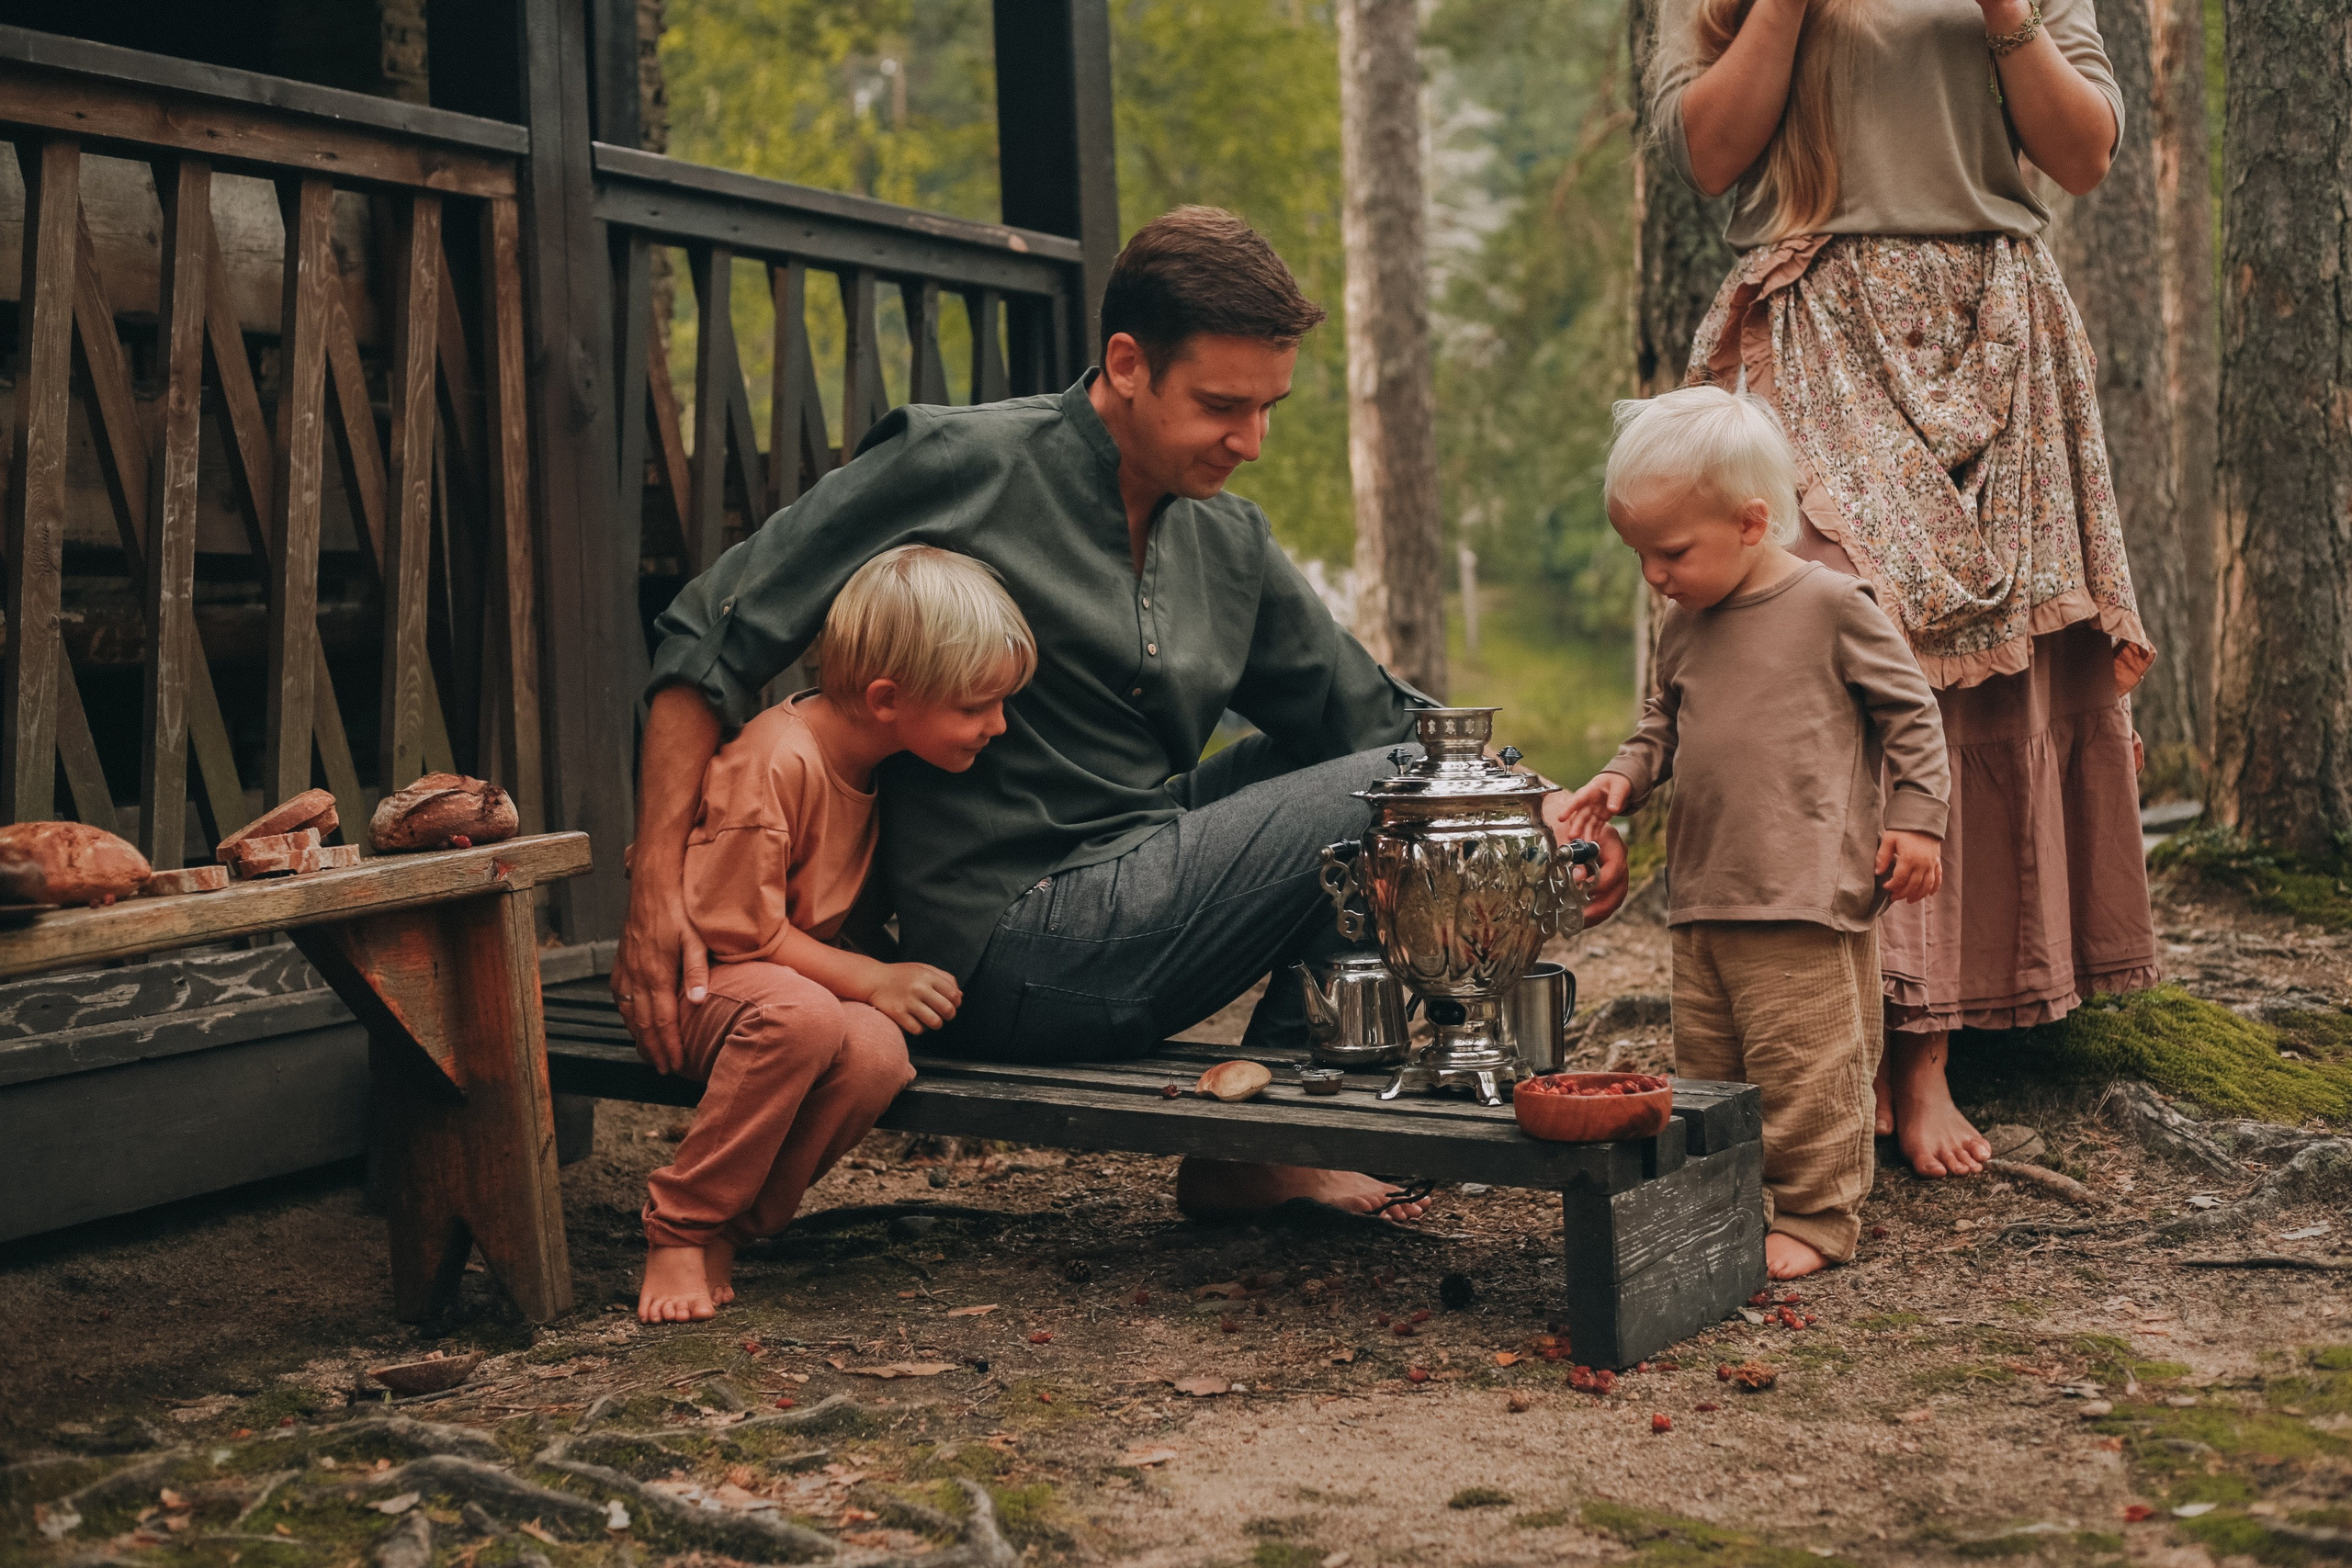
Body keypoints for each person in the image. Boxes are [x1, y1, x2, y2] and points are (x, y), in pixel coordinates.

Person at [611, 205, 1635, 1224]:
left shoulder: (1229, 540)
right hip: (1003, 951)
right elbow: (710, 635)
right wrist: (657, 892)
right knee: (1374, 794)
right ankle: (1273, 1143)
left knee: (1362, 757)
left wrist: (1538, 804)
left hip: (1146, 884)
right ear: (1127, 362)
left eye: (1270, 406)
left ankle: (1266, 1132)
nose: (1254, 440)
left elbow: (1364, 707)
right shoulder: (962, 464)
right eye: (1222, 405)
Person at [1651, 0, 2158, 1178]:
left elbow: (2082, 156)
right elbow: (1710, 153)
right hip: (1815, 314)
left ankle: (1925, 1060)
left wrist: (2003, 14)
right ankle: (1839, 1040)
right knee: (1822, 658)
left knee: (1978, 676)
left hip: (1995, 312)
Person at [1562, 387, 1951, 1279]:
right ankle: (1723, 1203)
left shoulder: (1831, 605)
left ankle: (1818, 1216)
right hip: (1703, 892)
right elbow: (1663, 719)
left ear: (1750, 522)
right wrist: (1623, 775)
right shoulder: (1683, 621)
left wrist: (1919, 824)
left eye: (1670, 552)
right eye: (1640, 556)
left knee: (1807, 1066)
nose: (1655, 575)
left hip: (1804, 891)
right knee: (1709, 1068)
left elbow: (1913, 717)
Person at [638, 546, 1035, 1322]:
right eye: (977, 705)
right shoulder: (778, 761)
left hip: (778, 986)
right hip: (700, 983)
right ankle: (680, 1226)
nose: (999, 724)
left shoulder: (877, 761)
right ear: (888, 698)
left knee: (881, 1056)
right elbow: (743, 935)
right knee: (806, 1016)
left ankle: (738, 1227)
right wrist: (877, 978)